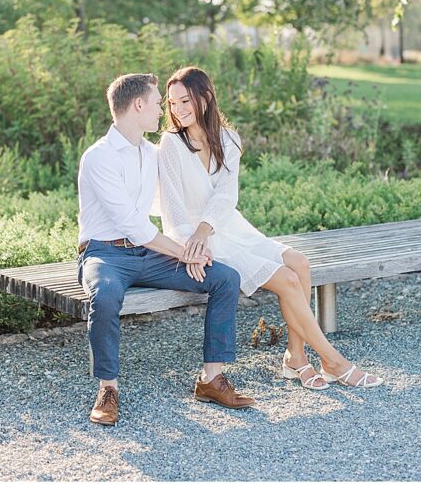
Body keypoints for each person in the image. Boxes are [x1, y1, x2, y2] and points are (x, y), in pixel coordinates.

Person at [157, 66, 383, 390]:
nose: (178, 110)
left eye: (185, 101)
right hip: (196, 239)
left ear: (205, 98)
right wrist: (193, 241)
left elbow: (226, 195)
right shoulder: (170, 144)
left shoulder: (228, 139)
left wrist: (206, 228)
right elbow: (173, 206)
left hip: (227, 228)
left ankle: (296, 356)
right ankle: (333, 361)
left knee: (300, 263)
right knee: (288, 280)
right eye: (172, 103)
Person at [77, 73, 254, 426]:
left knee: (225, 278)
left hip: (146, 254)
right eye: (159, 103)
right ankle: (108, 390)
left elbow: (176, 197)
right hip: (104, 254)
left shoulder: (151, 152)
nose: (164, 111)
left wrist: (198, 239)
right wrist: (184, 252)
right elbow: (133, 225)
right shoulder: (99, 158)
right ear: (138, 105)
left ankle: (211, 380)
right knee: (107, 295)